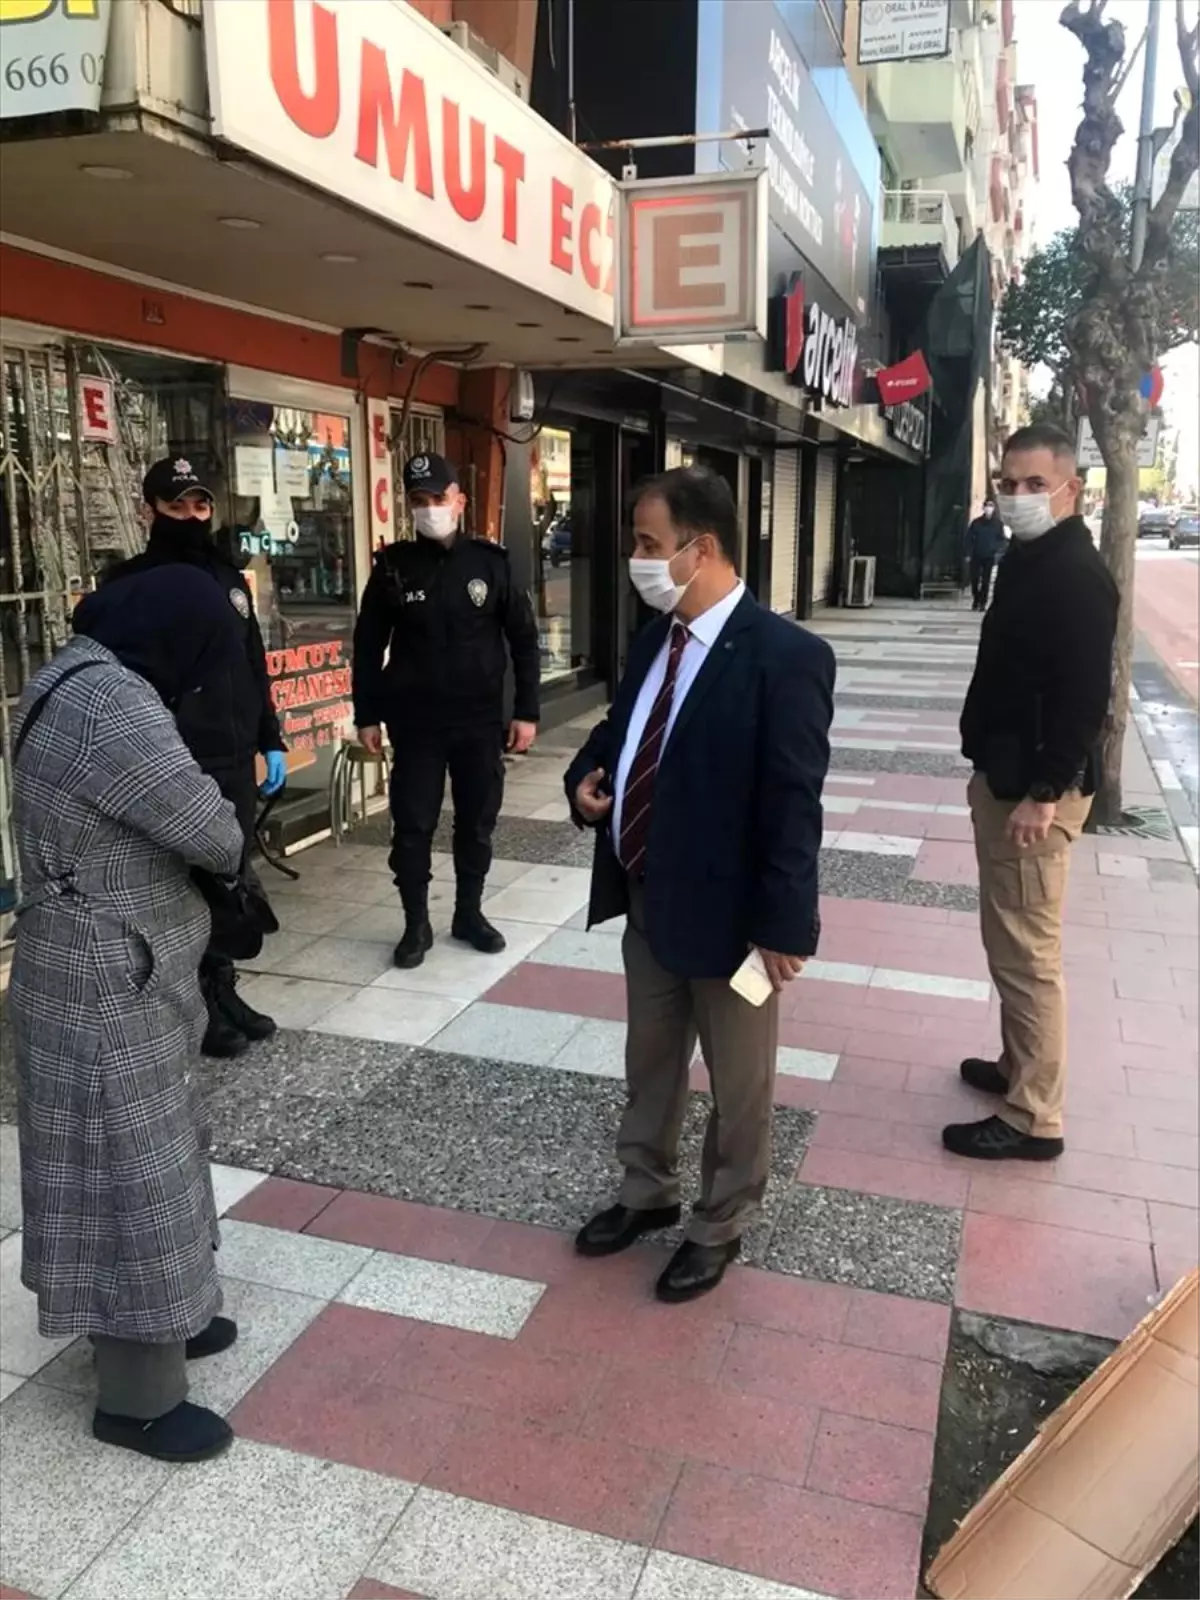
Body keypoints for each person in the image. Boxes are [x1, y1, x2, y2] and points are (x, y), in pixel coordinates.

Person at [565, 467, 834, 1303]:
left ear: (701, 548)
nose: (637, 561)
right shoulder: (656, 638)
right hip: (647, 903)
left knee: (740, 1085)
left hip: (732, 921)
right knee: (650, 1065)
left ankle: (721, 1222)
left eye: (649, 545)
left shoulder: (787, 657)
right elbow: (619, 732)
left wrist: (786, 925)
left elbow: (794, 804)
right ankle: (646, 1193)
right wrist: (584, 779)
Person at [9, 565, 250, 1462]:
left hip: (102, 970)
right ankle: (137, 1401)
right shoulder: (117, 704)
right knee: (127, 1177)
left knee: (152, 1156)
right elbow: (212, 831)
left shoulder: (69, 669)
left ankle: (170, 1318)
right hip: (107, 979)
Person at [949, 422, 1118, 1162]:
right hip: (1007, 775)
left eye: (1033, 485)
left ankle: (1033, 1118)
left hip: (1033, 794)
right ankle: (1019, 1068)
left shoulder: (1077, 575)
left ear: (1071, 489)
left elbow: (1086, 698)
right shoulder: (1030, 558)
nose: (1016, 497)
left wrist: (1046, 791)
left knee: (1027, 952)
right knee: (1008, 937)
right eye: (1007, 483)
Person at [100, 457, 286, 1058]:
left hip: (231, 755)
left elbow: (252, 666)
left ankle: (222, 989)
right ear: (149, 509)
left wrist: (270, 738)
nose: (190, 516)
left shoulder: (229, 579)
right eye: (176, 506)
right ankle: (194, 1003)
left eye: (200, 506)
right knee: (181, 888)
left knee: (227, 881)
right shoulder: (127, 584)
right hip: (171, 759)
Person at [353, 453, 540, 969]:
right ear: (409, 507)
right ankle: (416, 924)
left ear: (459, 500)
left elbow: (524, 641)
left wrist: (526, 711)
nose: (430, 509)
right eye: (419, 501)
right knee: (413, 825)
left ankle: (469, 913)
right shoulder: (392, 567)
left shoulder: (490, 563)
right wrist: (366, 713)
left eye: (439, 499)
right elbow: (368, 645)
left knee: (477, 822)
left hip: (480, 721)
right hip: (416, 724)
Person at [965, 498, 1007, 611]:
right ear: (983, 508)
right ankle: (976, 598)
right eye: (987, 506)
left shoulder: (997, 524)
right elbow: (969, 538)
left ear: (993, 508)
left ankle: (982, 603)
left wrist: (997, 551)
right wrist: (968, 553)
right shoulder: (976, 523)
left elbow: (1001, 539)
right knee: (974, 579)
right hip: (976, 554)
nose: (989, 508)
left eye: (991, 506)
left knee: (986, 580)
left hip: (989, 556)